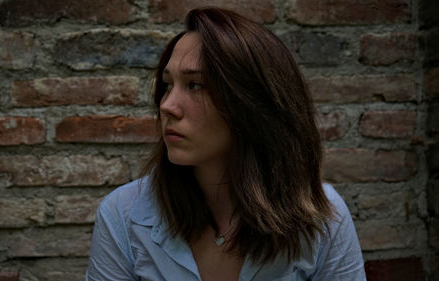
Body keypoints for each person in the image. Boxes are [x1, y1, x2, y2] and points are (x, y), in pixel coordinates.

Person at [86, 7, 366, 281]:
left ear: (251, 103)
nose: (167, 106)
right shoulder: (123, 216)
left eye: (195, 85)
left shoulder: (322, 217)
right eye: (167, 85)